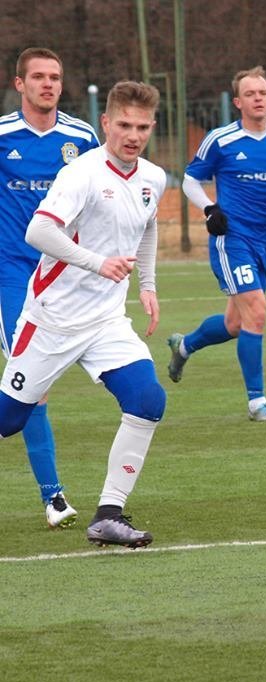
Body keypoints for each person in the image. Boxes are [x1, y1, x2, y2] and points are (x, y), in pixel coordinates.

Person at [0, 80, 167, 548]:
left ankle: (108, 515)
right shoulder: (82, 173)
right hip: (52, 319)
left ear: (152, 127)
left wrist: (148, 285)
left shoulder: (153, 177)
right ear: (105, 123)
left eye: (142, 127)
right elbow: (38, 231)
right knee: (8, 421)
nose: (132, 136)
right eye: (124, 125)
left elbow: (148, 226)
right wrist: (97, 263)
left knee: (147, 400)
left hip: (106, 321)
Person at [167, 66, 266, 421]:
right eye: (249, 94)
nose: (257, 98)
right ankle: (257, 403)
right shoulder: (221, 140)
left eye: (262, 93)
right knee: (256, 313)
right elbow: (190, 181)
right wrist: (210, 209)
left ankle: (184, 346)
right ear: (238, 102)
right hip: (231, 239)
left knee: (235, 324)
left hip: (265, 239)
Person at [0, 47, 100, 528]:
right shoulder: (3, 136)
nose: (48, 84)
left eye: (55, 77)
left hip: (66, 275)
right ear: (19, 84)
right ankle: (54, 496)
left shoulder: (82, 138)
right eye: (38, 76)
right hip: (13, 273)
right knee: (32, 384)